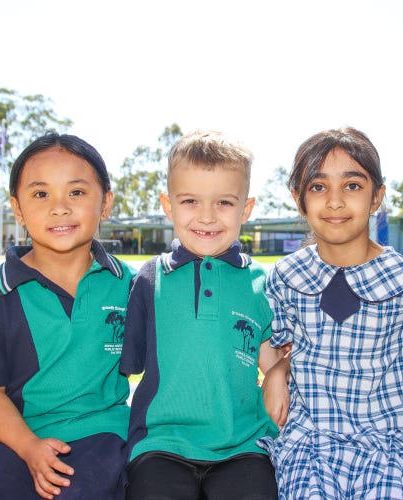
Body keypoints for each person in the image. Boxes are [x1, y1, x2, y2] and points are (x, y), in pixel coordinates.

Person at [0, 134, 134, 500]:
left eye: (76, 192)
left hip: (104, 431)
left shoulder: (130, 286)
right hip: (14, 436)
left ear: (106, 203)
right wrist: (30, 447)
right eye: (41, 194)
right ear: (17, 209)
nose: (59, 207)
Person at [259, 127, 403, 499]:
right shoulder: (286, 276)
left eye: (353, 186)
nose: (336, 202)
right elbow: (279, 345)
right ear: (299, 198)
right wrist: (279, 368)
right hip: (308, 443)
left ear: (377, 196)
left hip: (383, 445)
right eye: (318, 187)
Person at [120, 130, 282, 500]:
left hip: (243, 444)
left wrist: (282, 368)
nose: (207, 216)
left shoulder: (262, 282)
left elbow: (272, 364)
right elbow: (120, 369)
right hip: (162, 444)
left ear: (246, 208)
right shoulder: (149, 279)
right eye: (190, 200)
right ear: (168, 204)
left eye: (224, 202)